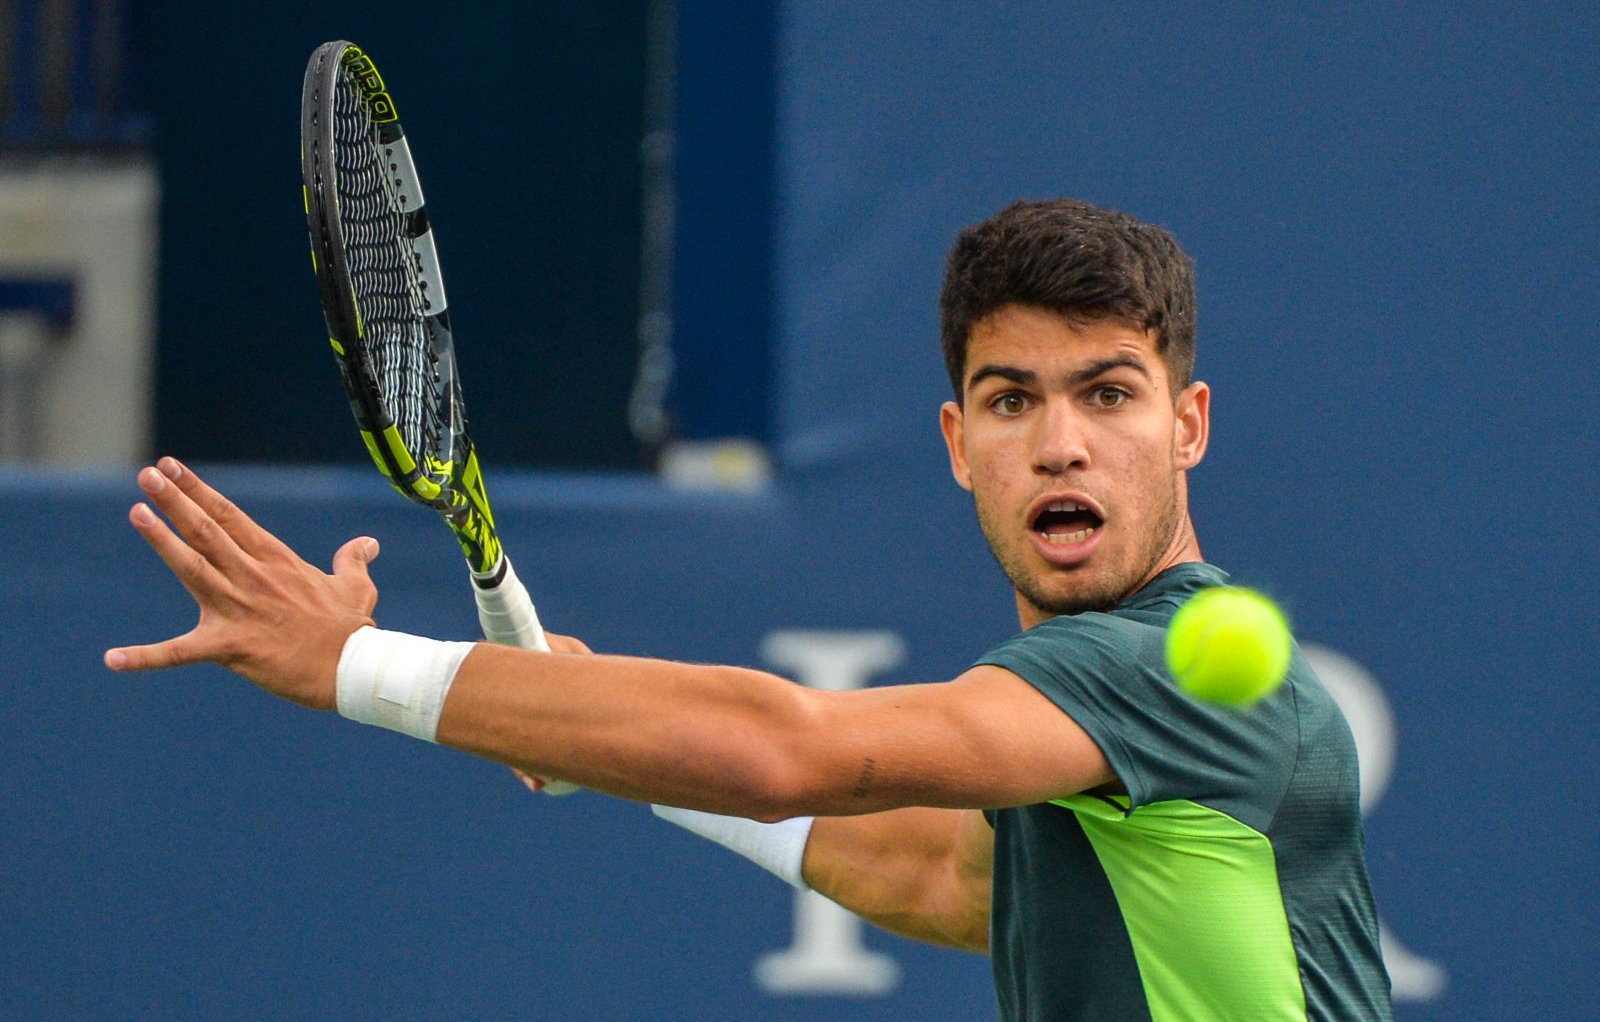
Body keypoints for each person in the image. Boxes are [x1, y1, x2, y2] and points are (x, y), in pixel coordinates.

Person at [108, 199, 1393, 1021]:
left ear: (1188, 425)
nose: (1059, 444)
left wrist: (356, 663)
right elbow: (940, 875)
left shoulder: (1170, 666)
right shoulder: (1090, 727)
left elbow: (788, 750)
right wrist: (602, 751)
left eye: (1107, 393)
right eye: (1011, 400)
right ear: (958, 442)